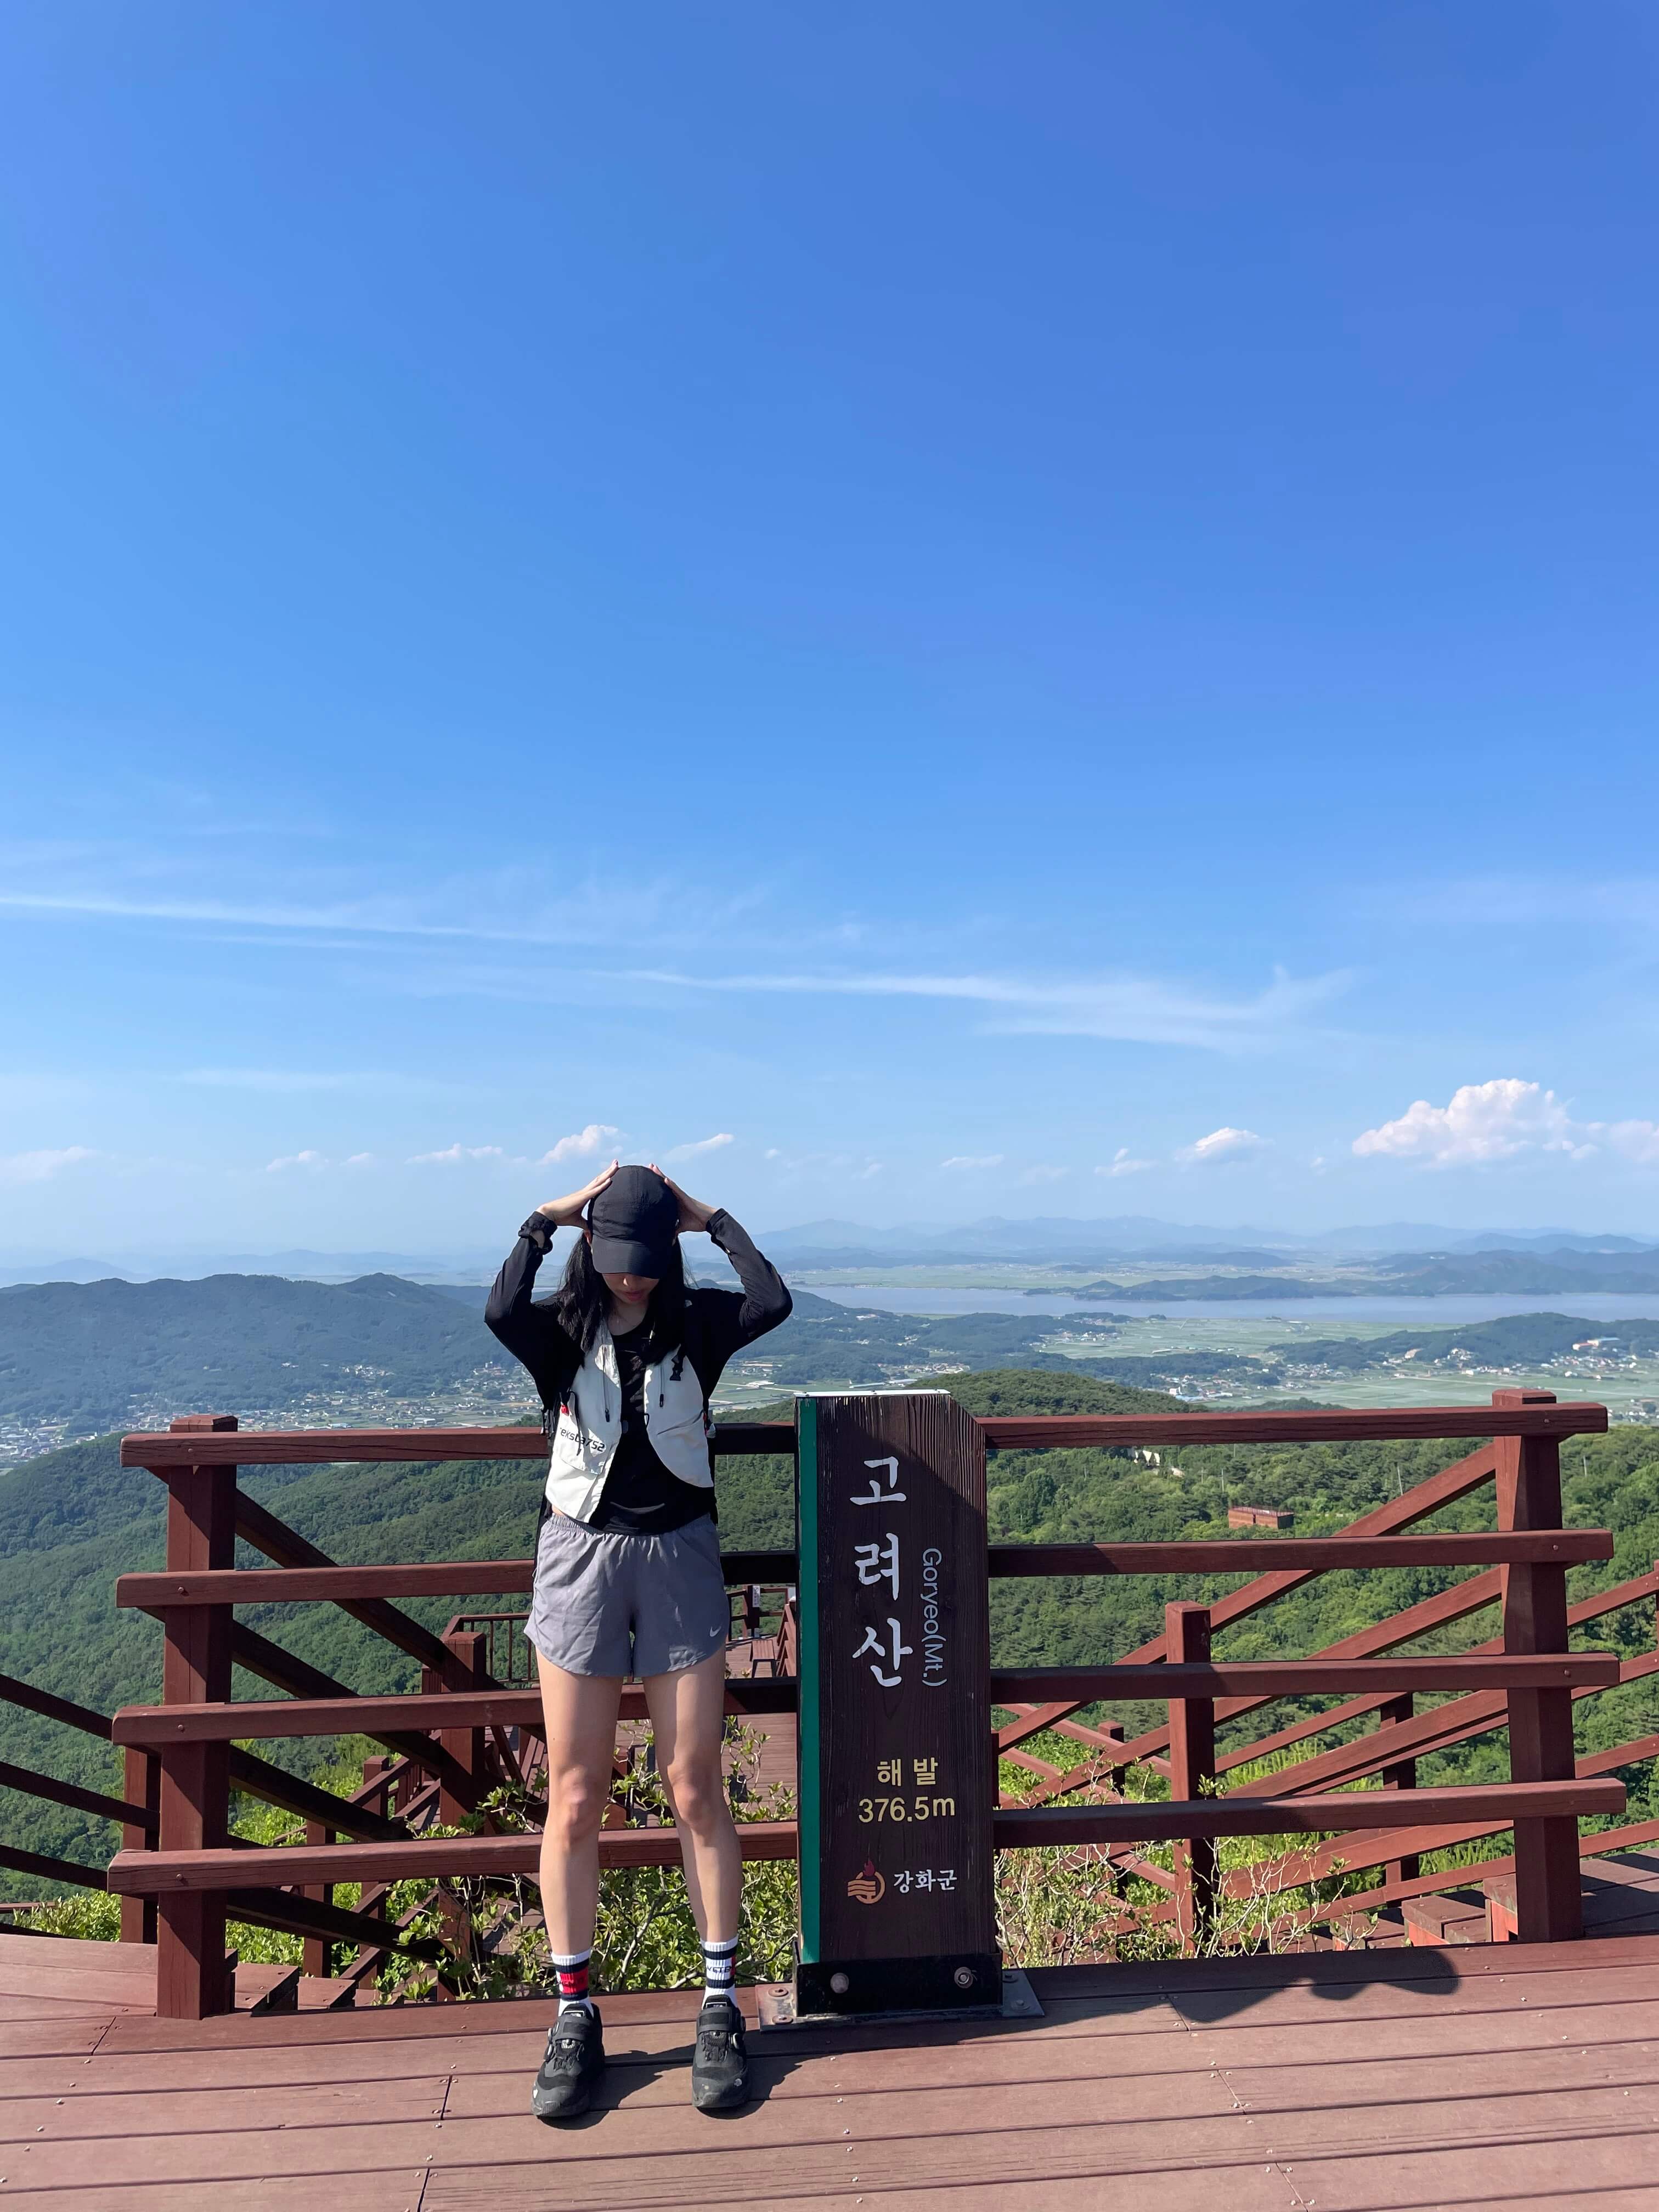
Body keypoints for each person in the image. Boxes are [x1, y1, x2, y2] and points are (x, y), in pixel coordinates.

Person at [484, 1159, 792, 2123]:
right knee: (576, 1795)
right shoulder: (562, 1330)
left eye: (646, 1258)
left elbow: (771, 1298)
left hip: (681, 1556)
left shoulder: (698, 1326)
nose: (633, 1276)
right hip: (578, 1555)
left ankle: (718, 2001)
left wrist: (710, 1218)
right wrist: (547, 1215)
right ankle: (574, 2011)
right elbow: (500, 1309)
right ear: (591, 1247)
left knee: (693, 1784)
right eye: (618, 1257)